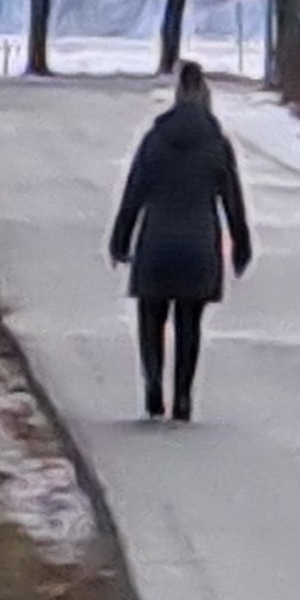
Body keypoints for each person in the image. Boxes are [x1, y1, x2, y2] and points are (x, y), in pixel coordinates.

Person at [108, 64, 252, 423]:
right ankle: (183, 397)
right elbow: (232, 198)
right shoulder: (217, 143)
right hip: (199, 246)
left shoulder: (155, 139)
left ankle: (154, 386)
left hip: (156, 243)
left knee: (150, 318)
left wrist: (120, 238)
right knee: (190, 323)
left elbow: (134, 192)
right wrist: (241, 244)